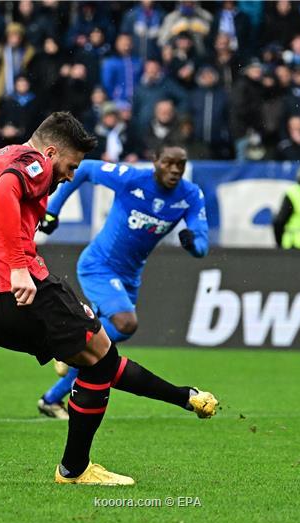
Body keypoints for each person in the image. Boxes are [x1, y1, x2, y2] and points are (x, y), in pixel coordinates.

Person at [0, 113, 218, 486]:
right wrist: (17, 267)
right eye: (69, 167)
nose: (67, 176)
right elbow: (4, 193)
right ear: (50, 152)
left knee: (98, 357)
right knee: (101, 356)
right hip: (17, 284)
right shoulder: (32, 161)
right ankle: (75, 468)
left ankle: (184, 397)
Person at [36, 145, 210, 419]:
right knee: (125, 323)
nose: (175, 170)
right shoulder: (131, 179)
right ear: (154, 161)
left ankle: (51, 398)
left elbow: (202, 243)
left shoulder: (190, 195)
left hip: (130, 276)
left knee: (105, 347)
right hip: (99, 265)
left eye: (181, 164)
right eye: (168, 163)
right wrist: (51, 211)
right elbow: (85, 170)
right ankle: (67, 344)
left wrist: (193, 243)